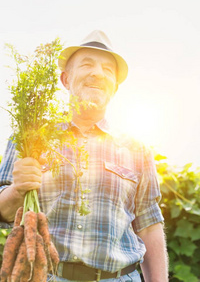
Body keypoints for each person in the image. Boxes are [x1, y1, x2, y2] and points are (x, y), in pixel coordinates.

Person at [0, 30, 168, 282]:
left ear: (115, 87)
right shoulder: (29, 135)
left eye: (107, 70)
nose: (98, 73)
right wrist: (16, 190)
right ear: (65, 79)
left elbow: (149, 224)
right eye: (87, 64)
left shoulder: (137, 149)